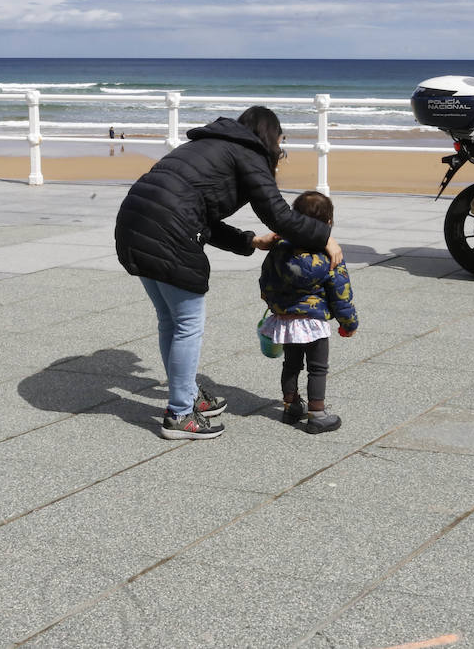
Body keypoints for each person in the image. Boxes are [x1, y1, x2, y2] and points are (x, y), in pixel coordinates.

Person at [115, 106, 342, 440]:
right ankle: (179, 414)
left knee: (171, 321)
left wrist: (249, 241)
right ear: (269, 137)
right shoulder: (249, 151)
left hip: (134, 223)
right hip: (166, 231)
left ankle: (187, 396)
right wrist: (325, 237)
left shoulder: (211, 145)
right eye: (281, 144)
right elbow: (278, 214)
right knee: (187, 325)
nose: (280, 151)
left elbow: (199, 212)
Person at [259, 191, 357, 434]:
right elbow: (341, 292)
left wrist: (273, 304)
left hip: (287, 320)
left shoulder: (279, 249)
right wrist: (349, 322)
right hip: (313, 322)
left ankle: (290, 406)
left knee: (291, 365)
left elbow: (265, 281)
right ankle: (317, 413)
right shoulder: (330, 254)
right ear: (328, 224)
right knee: (317, 368)